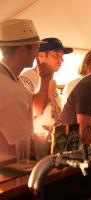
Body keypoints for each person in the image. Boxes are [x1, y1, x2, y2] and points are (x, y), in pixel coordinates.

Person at [0, 19, 53, 163]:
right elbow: (23, 144)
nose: (37, 54)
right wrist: (56, 150)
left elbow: (36, 109)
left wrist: (45, 81)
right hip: (10, 171)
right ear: (23, 50)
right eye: (36, 48)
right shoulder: (10, 88)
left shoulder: (12, 79)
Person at [20, 38, 73, 159]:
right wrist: (47, 84)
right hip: (38, 148)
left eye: (62, 56)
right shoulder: (26, 79)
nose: (61, 60)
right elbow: (35, 110)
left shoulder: (52, 80)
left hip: (56, 143)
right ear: (41, 56)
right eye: (56, 55)